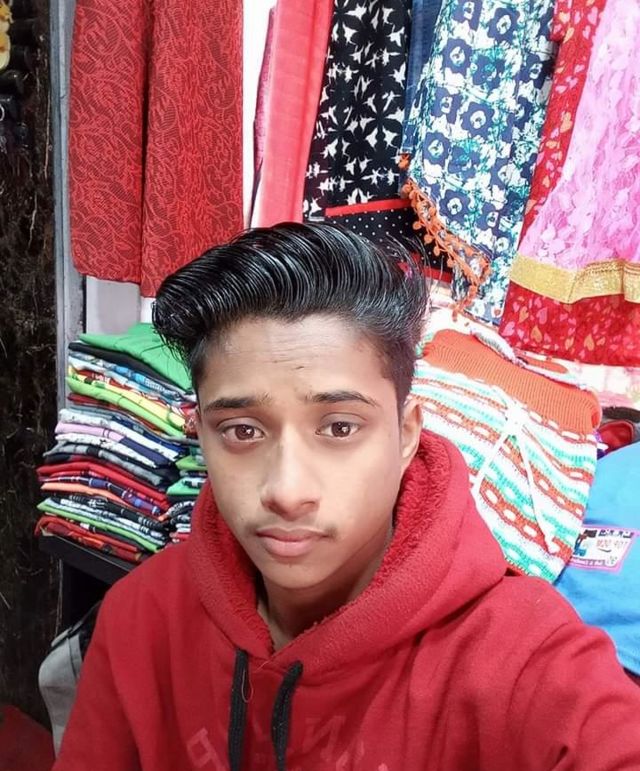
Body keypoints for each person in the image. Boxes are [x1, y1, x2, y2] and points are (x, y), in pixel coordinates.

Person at [54, 223, 640, 770]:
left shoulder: (525, 660)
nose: (287, 491)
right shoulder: (142, 617)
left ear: (406, 434)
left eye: (339, 427)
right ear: (200, 432)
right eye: (242, 431)